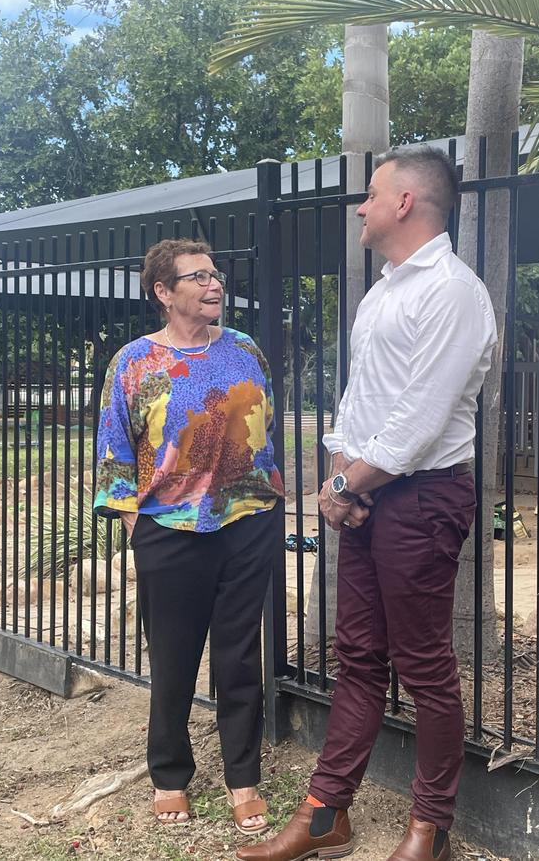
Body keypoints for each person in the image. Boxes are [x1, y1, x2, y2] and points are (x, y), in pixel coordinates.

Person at [236, 146, 497, 861]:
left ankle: (430, 827)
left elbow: (421, 417)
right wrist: (339, 480)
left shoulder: (452, 289)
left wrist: (347, 485)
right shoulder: (384, 290)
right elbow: (364, 398)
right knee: (357, 657)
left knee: (423, 665)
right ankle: (327, 813)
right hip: (368, 491)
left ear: (406, 203)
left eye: (371, 193)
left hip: (421, 496)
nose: (360, 205)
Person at [94, 238, 284, 831]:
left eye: (215, 275)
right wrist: (139, 524)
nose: (213, 285)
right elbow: (115, 452)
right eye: (197, 277)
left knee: (238, 655)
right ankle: (170, 773)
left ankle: (243, 778)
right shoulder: (134, 363)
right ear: (163, 292)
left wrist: (264, 498)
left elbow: (267, 426)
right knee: (174, 659)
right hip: (167, 531)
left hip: (245, 523)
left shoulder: (245, 349)